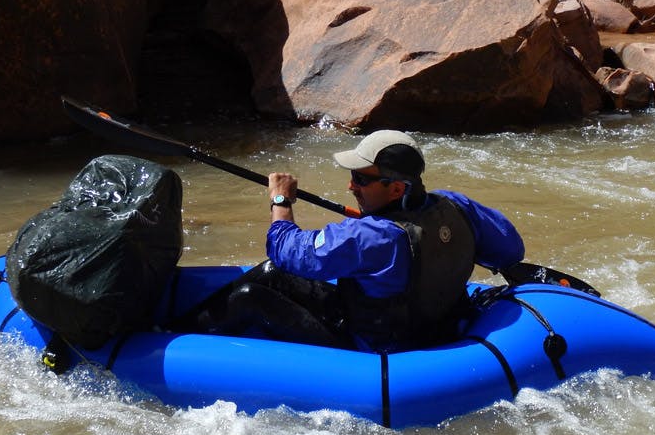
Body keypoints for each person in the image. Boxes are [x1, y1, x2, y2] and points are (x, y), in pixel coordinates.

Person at [183, 130, 525, 352]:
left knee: (248, 296)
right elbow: (510, 250)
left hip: (377, 345)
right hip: (438, 324)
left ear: (395, 189)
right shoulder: (454, 204)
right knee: (272, 273)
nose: (351, 186)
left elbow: (286, 250)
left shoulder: (371, 237)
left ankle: (168, 338)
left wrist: (281, 201)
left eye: (361, 179)